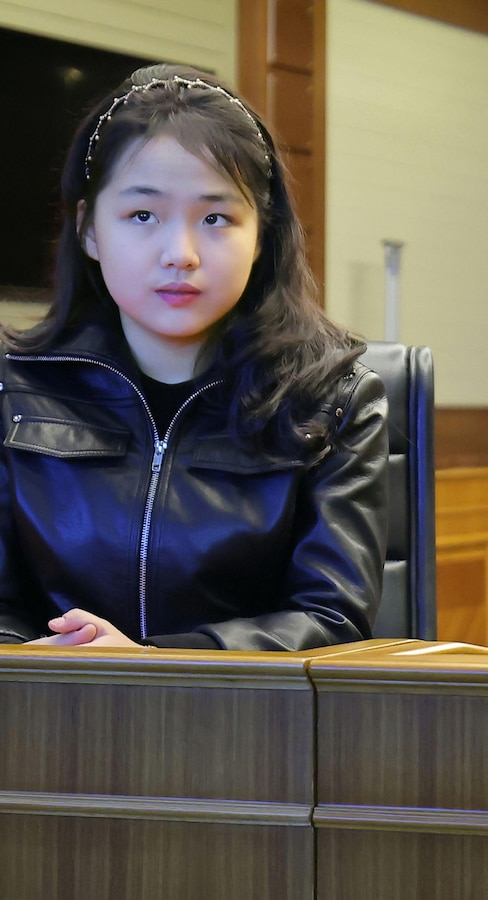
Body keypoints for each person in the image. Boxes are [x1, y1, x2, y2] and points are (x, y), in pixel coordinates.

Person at [0, 64, 387, 650]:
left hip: (244, 708)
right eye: (143, 215)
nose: (180, 253)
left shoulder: (334, 401)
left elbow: (331, 619)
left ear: (261, 236)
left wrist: (155, 662)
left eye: (215, 218)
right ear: (89, 230)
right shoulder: (13, 389)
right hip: (53, 703)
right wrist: (50, 665)